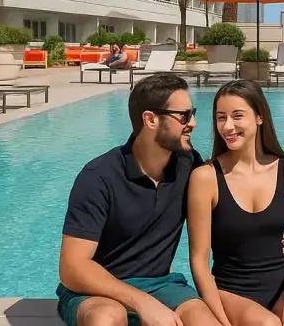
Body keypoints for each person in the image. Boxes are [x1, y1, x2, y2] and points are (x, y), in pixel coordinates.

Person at [56, 73, 218, 326]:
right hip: (97, 289)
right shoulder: (99, 177)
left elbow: (225, 213)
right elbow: (72, 267)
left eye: (193, 112)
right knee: (107, 317)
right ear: (151, 119)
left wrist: (267, 240)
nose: (194, 123)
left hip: (161, 284)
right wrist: (142, 302)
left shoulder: (190, 165)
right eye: (184, 116)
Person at [188, 80, 284, 326]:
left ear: (259, 117)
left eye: (237, 116)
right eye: (221, 118)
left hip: (281, 284)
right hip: (231, 291)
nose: (227, 126)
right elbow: (199, 260)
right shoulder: (206, 177)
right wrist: (220, 319)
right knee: (267, 325)